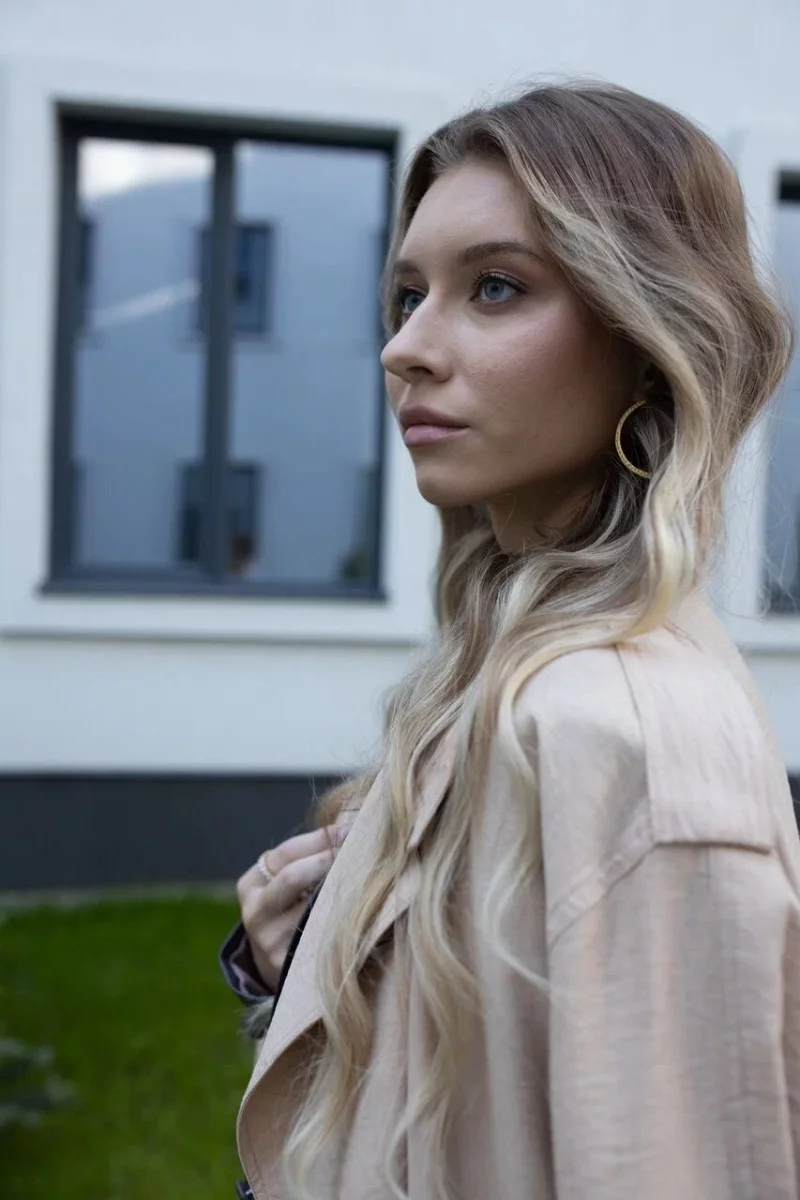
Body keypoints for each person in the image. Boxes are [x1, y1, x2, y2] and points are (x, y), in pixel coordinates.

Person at [221, 80, 800, 1199]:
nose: (404, 348)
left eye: (495, 287)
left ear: (647, 339)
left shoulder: (618, 734)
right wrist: (311, 963)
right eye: (406, 296)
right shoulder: (514, 673)